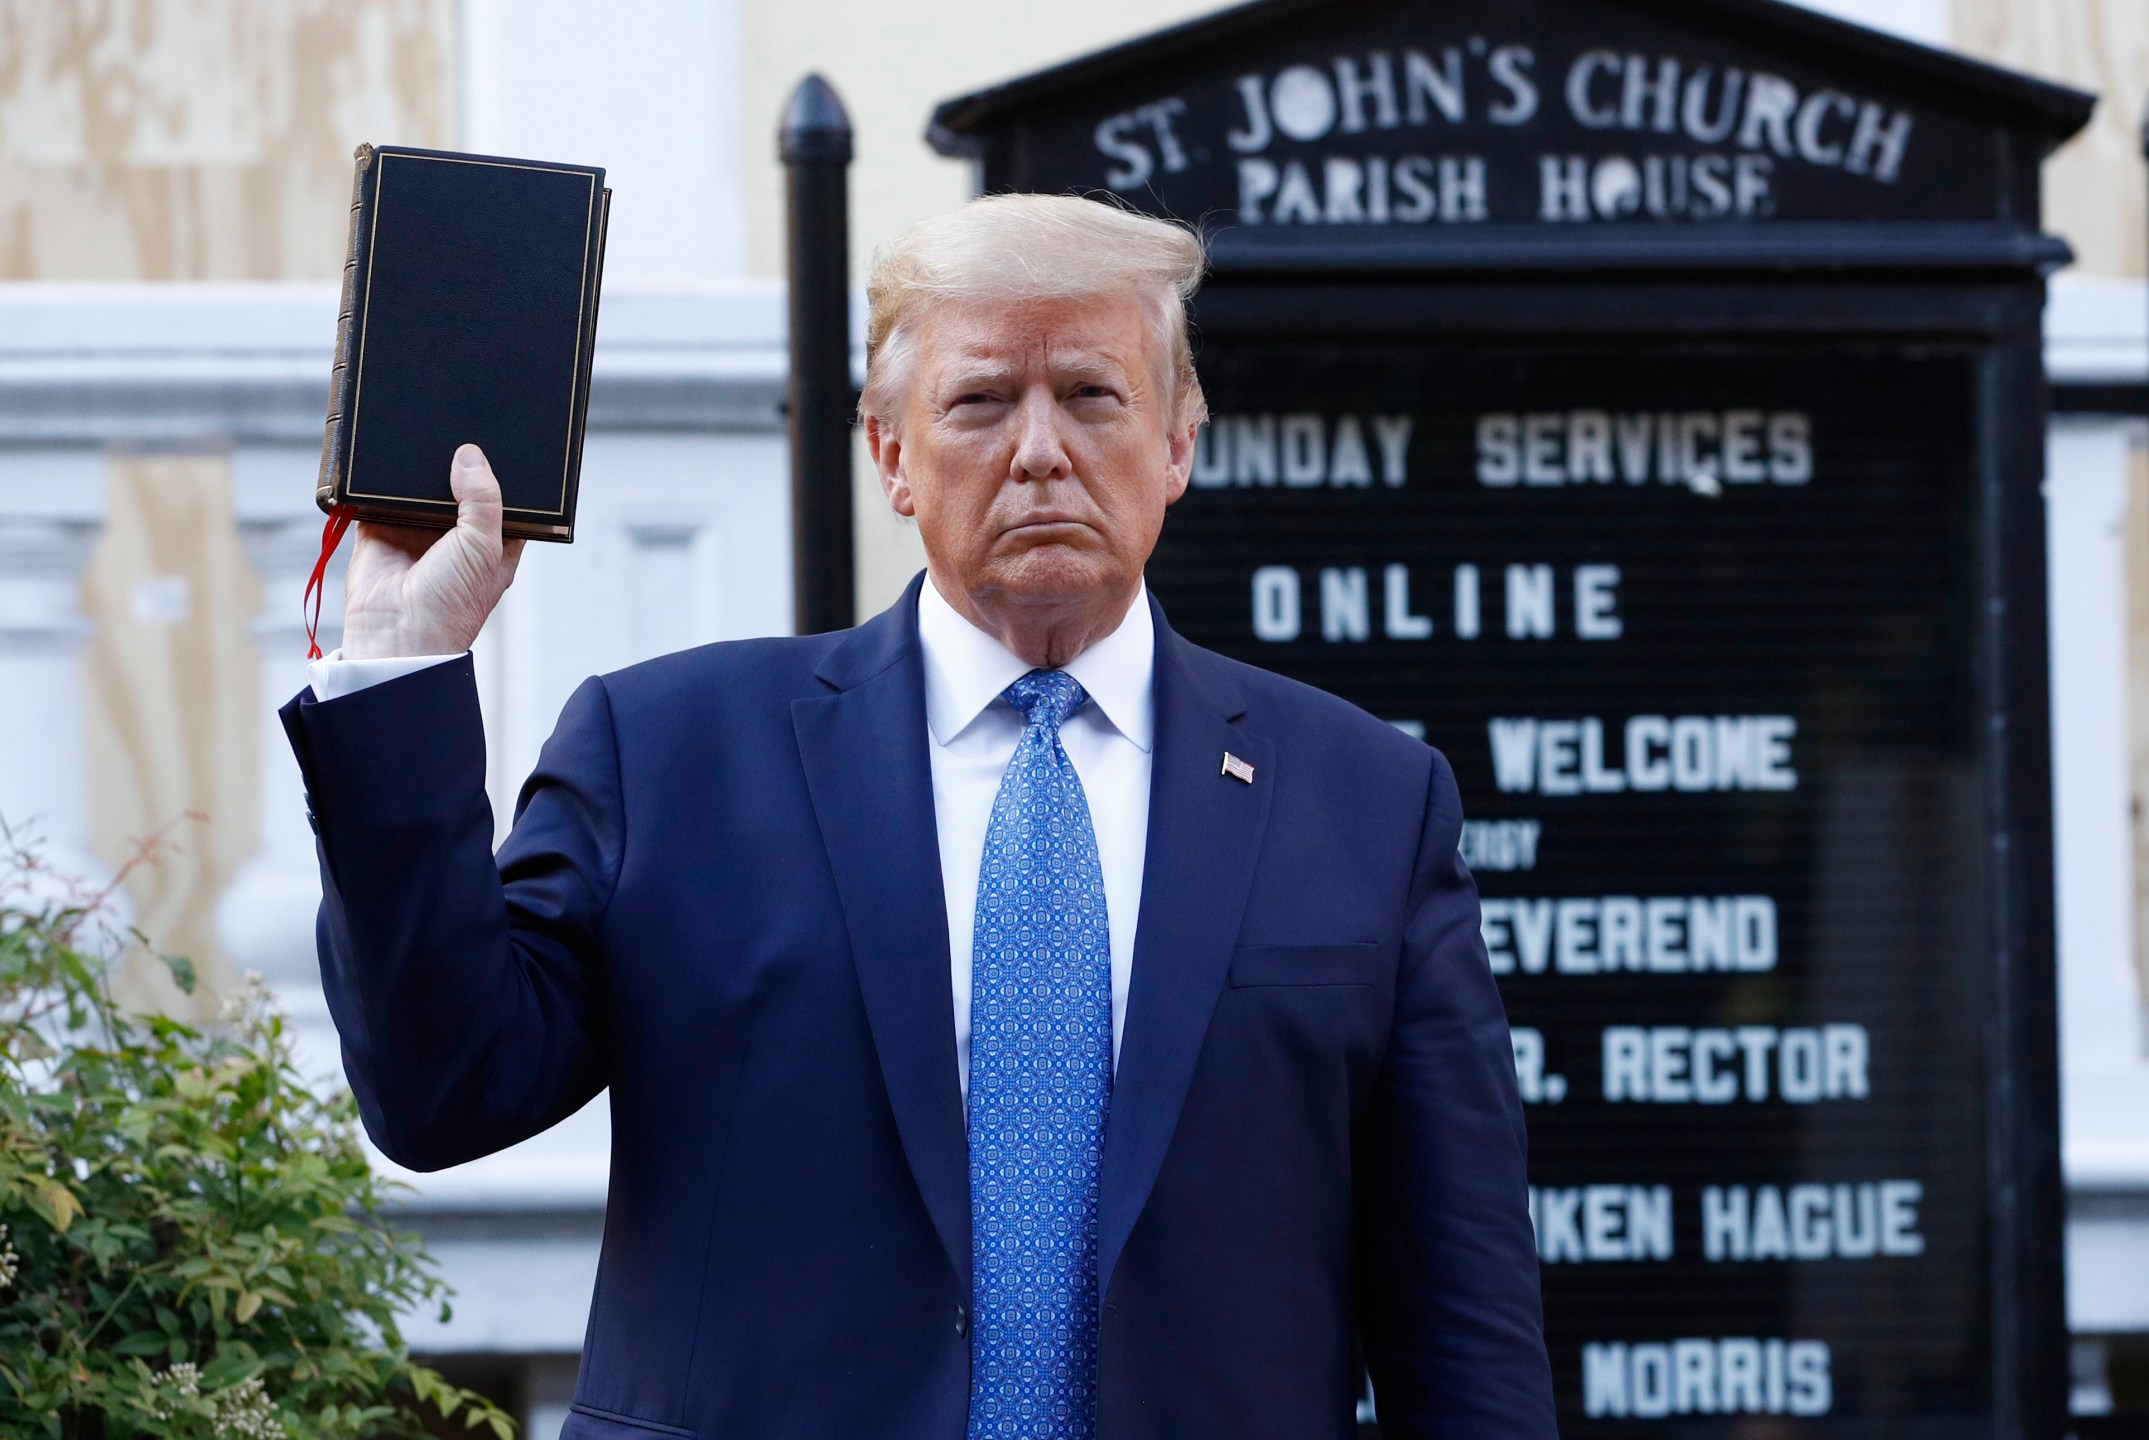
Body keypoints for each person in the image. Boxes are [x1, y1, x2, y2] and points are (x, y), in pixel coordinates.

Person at [282, 193, 1554, 1440]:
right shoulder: (671, 754)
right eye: (982, 400)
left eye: (1094, 395)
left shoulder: (1364, 801)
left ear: (1177, 442)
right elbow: (441, 1092)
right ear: (891, 453)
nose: (1041, 448)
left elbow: (1463, 1319)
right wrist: (403, 661)